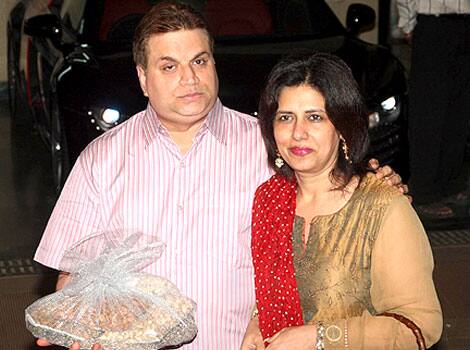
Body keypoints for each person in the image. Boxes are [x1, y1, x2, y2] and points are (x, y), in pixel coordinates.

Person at [34, 2, 406, 350]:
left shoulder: (271, 147)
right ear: (143, 78)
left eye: (199, 61)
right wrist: (84, 320)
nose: (189, 78)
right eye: (169, 66)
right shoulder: (101, 160)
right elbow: (69, 277)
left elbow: (341, 203)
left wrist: (374, 185)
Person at [241, 53, 442, 350]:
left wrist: (320, 338)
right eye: (285, 117)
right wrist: (257, 325)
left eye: (315, 117)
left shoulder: (382, 207)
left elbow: (420, 327)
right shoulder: (270, 199)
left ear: (343, 125)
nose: (298, 133)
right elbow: (273, 295)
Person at [395, 0, 470, 219]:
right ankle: (423, 192)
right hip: (433, 25)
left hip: (466, 24)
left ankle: (450, 185)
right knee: (428, 111)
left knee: (459, 111)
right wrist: (407, 23)